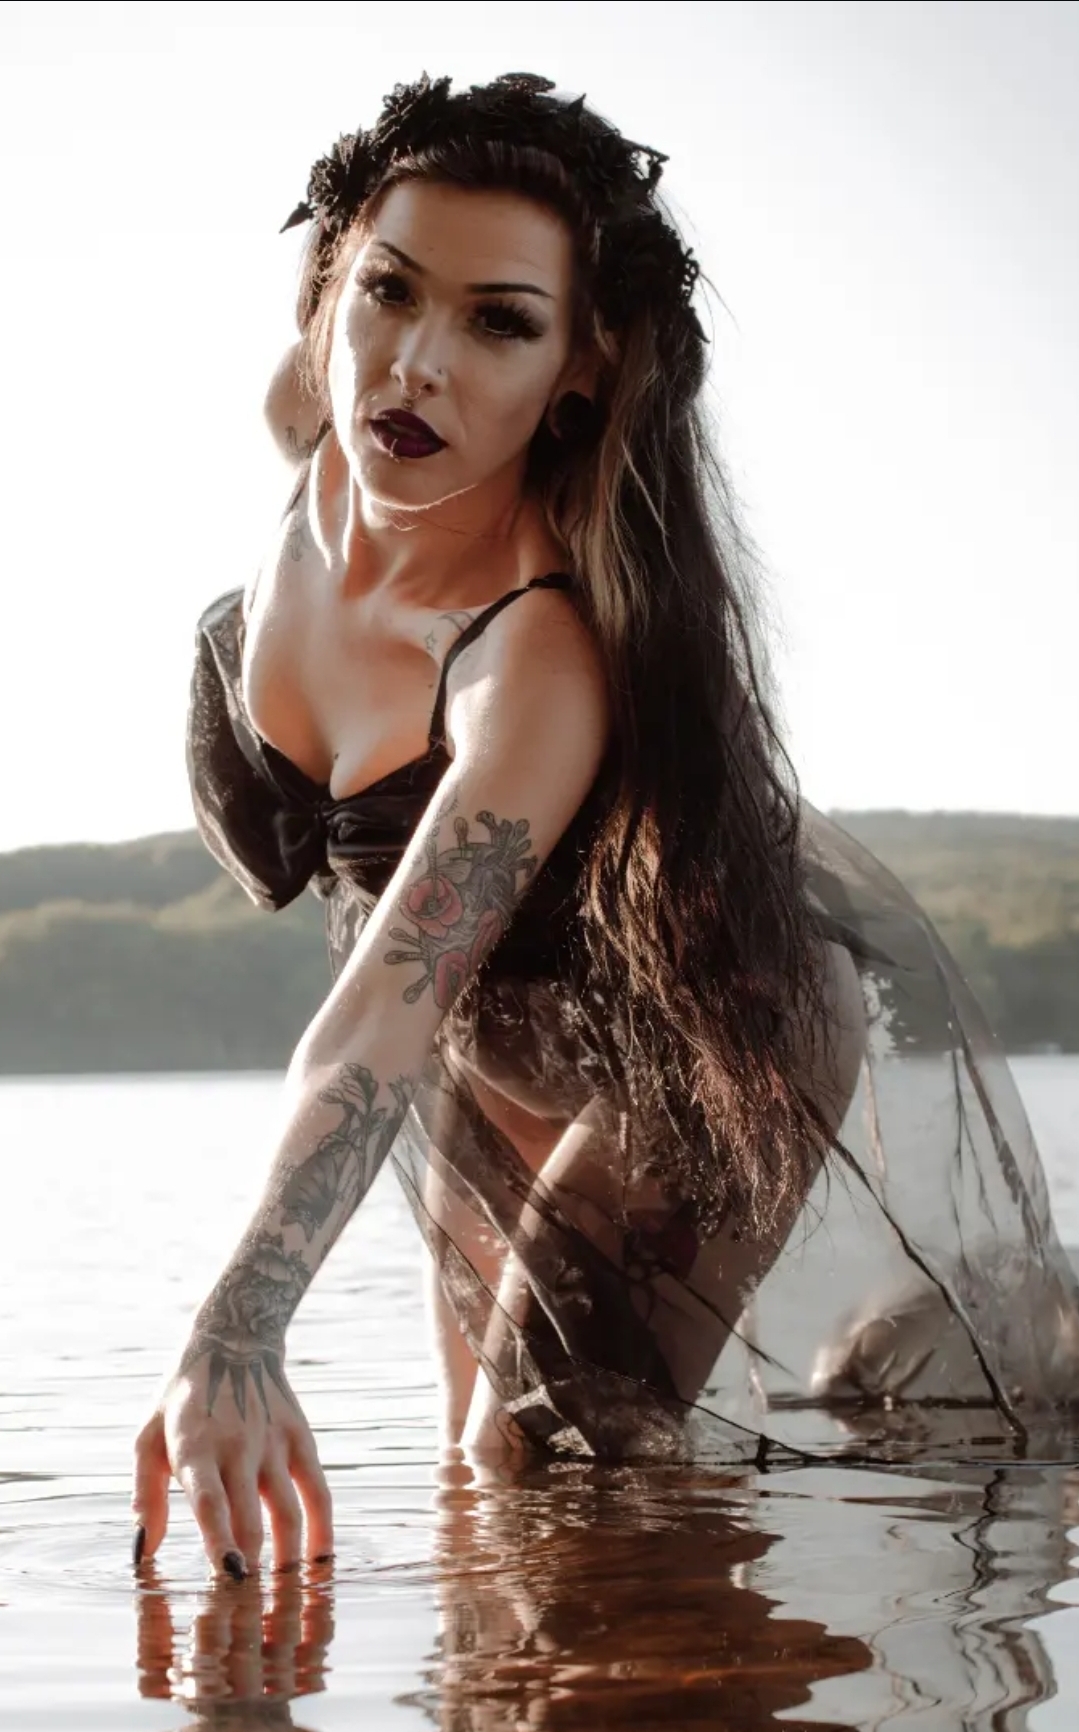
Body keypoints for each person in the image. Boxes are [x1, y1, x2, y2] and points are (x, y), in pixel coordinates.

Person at [132, 73, 1079, 1580]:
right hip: (492, 1045)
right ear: (326, 291)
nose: (419, 363)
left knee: (542, 1469)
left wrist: (240, 1317)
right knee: (480, 1524)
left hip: (694, 1047)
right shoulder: (317, 406)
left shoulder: (535, 658)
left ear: (582, 372)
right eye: (389, 290)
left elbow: (381, 1007)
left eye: (501, 323)